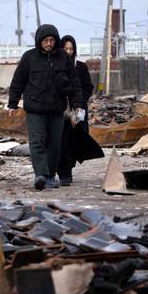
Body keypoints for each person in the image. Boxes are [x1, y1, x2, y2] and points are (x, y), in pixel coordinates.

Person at [8, 24, 84, 190]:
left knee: (54, 144)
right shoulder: (29, 57)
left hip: (57, 109)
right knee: (37, 142)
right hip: (35, 108)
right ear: (39, 41)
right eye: (45, 40)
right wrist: (12, 104)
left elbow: (74, 83)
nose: (49, 43)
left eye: (51, 40)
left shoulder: (63, 57)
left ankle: (50, 176)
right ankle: (40, 174)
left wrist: (77, 105)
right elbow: (17, 82)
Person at [57, 35, 94, 186]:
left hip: (78, 110)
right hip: (61, 110)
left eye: (71, 49)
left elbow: (88, 87)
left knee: (75, 140)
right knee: (62, 141)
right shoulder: (57, 67)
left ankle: (69, 167)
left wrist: (79, 102)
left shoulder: (80, 67)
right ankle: (64, 172)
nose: (68, 52)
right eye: (65, 48)